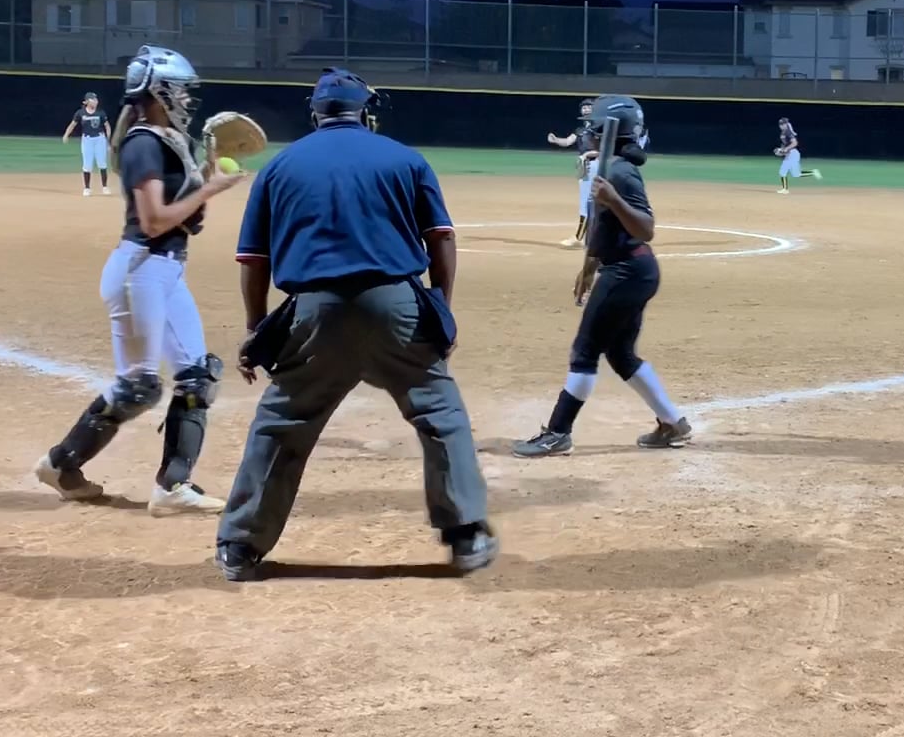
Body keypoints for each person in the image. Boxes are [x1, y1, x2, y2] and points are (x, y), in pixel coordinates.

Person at [217, 67, 496, 581]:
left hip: (314, 312)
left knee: (282, 422)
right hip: (396, 308)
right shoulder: (404, 158)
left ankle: (240, 543)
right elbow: (441, 238)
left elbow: (253, 259)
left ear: (315, 114)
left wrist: (257, 328)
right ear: (364, 112)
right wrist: (442, 307)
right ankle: (466, 533)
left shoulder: (280, 167)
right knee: (440, 413)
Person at [35, 46, 244, 515]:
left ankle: (173, 487)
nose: (187, 99)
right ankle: (60, 465)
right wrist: (211, 188)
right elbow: (153, 221)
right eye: (181, 90)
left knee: (197, 376)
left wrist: (206, 175)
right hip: (141, 270)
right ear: (159, 92)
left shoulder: (167, 140)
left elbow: (182, 213)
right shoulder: (143, 144)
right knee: (139, 387)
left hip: (164, 269)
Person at [514, 94, 691, 458]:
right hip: (630, 269)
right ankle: (673, 423)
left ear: (603, 131)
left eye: (590, 129)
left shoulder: (620, 173)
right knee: (620, 353)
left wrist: (614, 199)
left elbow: (646, 228)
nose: (586, 134)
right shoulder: (608, 167)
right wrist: (587, 269)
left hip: (628, 271)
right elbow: (602, 229)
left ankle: (558, 432)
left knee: (585, 351)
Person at [546, 98, 598, 246]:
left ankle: (579, 238)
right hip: (584, 165)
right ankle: (591, 237)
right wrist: (556, 140)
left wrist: (587, 155)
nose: (586, 109)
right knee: (590, 201)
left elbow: (605, 149)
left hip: (594, 164)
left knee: (586, 202)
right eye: (584, 107)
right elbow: (568, 141)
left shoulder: (599, 128)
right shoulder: (580, 130)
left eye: (589, 107)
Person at [63, 92, 113, 196]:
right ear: (86, 102)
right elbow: (72, 124)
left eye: (96, 99)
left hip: (100, 139)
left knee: (102, 163)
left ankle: (105, 187)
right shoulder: (80, 113)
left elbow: (107, 126)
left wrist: (108, 140)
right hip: (87, 140)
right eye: (93, 99)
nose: (95, 101)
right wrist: (66, 135)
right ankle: (87, 188)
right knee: (87, 164)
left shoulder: (100, 113)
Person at [774, 117, 821, 193]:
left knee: (794, 174)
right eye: (781, 124)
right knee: (785, 172)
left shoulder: (788, 132)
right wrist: (781, 151)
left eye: (783, 123)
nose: (782, 125)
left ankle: (813, 172)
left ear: (786, 124)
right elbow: (784, 146)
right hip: (789, 155)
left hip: (793, 154)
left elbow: (795, 143)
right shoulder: (783, 133)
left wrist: (786, 149)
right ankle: (785, 189)